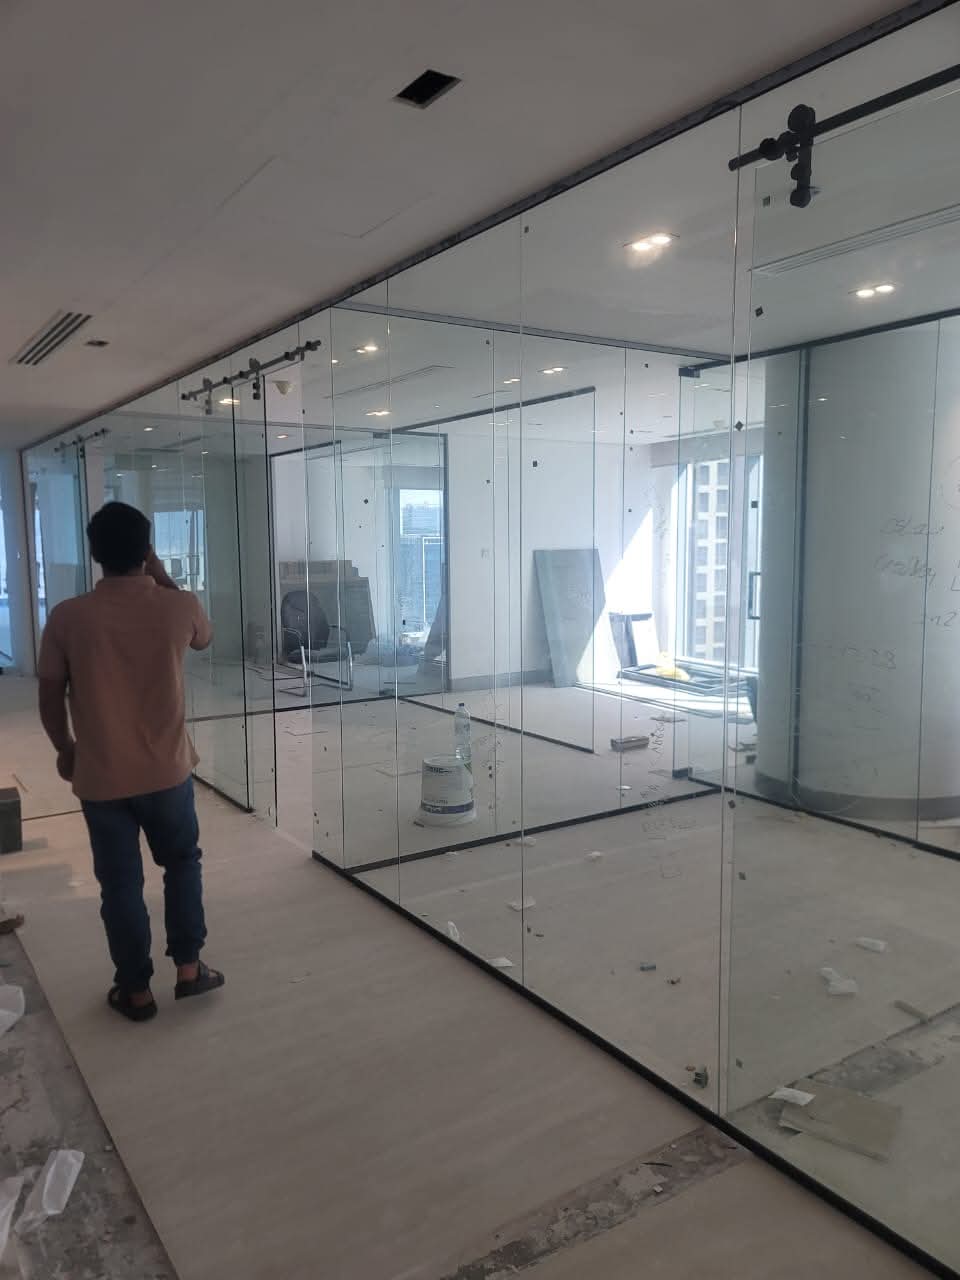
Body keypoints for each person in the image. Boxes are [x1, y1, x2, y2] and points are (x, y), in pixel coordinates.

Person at [37, 501, 224, 1022]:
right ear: (147, 550)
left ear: (94, 553)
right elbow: (205, 638)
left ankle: (136, 991)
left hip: (101, 777)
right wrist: (160, 575)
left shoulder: (68, 617)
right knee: (181, 864)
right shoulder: (178, 605)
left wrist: (65, 749)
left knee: (120, 884)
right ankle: (189, 969)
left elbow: (50, 694)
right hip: (167, 773)